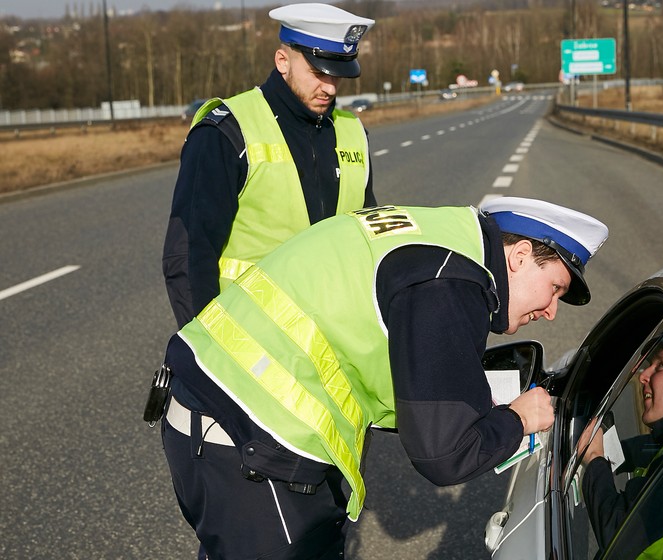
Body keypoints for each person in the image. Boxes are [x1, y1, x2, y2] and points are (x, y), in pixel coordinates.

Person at [157, 197, 609, 559]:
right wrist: (519, 419)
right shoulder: (451, 283)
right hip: (248, 433)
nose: (551, 312)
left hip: (217, 406)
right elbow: (444, 455)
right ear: (520, 256)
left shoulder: (445, 238)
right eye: (555, 289)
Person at [162, 3, 378, 328]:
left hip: (333, 336)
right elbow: (190, 253)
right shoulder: (227, 131)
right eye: (319, 73)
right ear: (282, 61)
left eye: (338, 75)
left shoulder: (353, 132)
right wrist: (205, 345)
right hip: (248, 338)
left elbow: (367, 240)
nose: (330, 88)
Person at [576, 319, 663, 555]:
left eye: (661, 366)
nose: (643, 376)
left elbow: (616, 532)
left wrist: (594, 457)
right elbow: (647, 448)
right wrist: (616, 453)